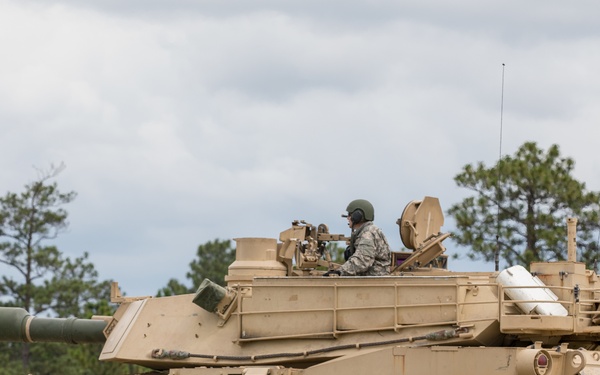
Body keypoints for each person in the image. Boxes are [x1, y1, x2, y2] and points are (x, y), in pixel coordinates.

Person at [323, 199, 391, 276]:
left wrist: (339, 272)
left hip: (373, 282)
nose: (347, 218)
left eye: (349, 215)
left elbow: (362, 261)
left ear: (357, 216)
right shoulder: (366, 231)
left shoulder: (368, 233)